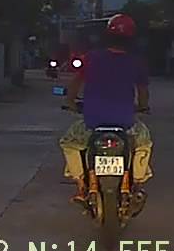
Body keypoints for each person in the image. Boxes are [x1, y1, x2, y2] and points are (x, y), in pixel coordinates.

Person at [59, 13, 153, 204]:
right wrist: (143, 107)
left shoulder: (92, 58)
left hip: (93, 122)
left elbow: (75, 84)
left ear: (107, 35)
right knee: (143, 144)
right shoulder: (136, 62)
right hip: (125, 123)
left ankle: (81, 184)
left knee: (69, 143)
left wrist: (70, 102)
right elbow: (143, 92)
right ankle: (137, 183)